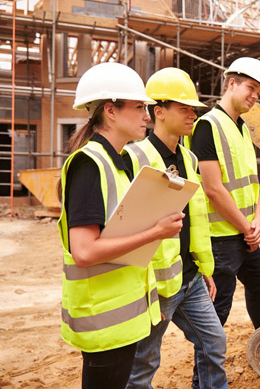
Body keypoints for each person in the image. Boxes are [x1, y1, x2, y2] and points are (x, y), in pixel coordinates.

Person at [58, 62, 184, 389]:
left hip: (121, 319)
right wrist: (156, 232)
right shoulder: (89, 164)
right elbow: (84, 251)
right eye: (140, 106)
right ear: (111, 111)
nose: (147, 114)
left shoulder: (121, 162)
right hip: (103, 322)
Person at [124, 68, 228, 389]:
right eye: (184, 108)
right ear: (159, 111)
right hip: (156, 283)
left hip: (190, 276)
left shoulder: (190, 158)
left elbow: (195, 218)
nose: (192, 114)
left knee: (214, 344)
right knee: (144, 363)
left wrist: (204, 266)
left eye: (194, 109)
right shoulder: (134, 157)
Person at [186, 57, 260, 330]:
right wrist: (247, 227)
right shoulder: (206, 126)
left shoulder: (243, 128)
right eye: (251, 87)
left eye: (259, 91)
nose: (255, 95)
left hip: (246, 232)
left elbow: (251, 183)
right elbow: (213, 188)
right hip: (222, 237)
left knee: (258, 285)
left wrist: (258, 220)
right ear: (231, 84)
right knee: (219, 307)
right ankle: (204, 373)